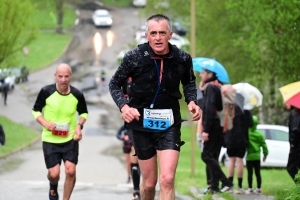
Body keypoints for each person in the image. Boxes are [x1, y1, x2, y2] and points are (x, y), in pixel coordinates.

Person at [109, 14, 201, 200]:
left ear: (170, 34)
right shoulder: (134, 57)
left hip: (169, 124)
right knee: (149, 184)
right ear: (147, 35)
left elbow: (189, 83)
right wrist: (124, 107)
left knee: (167, 179)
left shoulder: (182, 58)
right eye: (153, 33)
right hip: (141, 124)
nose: (158, 37)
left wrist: (192, 101)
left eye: (162, 33)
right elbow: (114, 84)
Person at [32, 63, 88, 200]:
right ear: (55, 76)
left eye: (66, 76)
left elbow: (84, 113)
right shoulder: (46, 91)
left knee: (70, 170)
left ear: (71, 77)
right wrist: (45, 123)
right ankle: (53, 185)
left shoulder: (77, 94)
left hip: (70, 138)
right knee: (54, 174)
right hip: (50, 139)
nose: (63, 79)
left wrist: (79, 126)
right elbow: (35, 111)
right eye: (60, 76)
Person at [200, 69, 234, 194]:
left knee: (206, 155)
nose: (200, 75)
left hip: (213, 126)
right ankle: (214, 187)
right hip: (220, 126)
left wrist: (206, 130)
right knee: (213, 155)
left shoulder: (211, 87)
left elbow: (209, 109)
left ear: (210, 74)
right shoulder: (218, 85)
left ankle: (226, 182)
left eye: (203, 73)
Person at [224, 106, 253, 194]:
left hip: (230, 138)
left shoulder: (229, 108)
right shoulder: (245, 109)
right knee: (239, 160)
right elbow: (251, 123)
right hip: (242, 138)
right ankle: (240, 187)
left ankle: (230, 185)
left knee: (231, 160)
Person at [246, 115, 268, 194]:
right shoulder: (259, 135)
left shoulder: (246, 134)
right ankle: (258, 188)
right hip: (257, 157)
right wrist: (265, 154)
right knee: (258, 173)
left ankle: (250, 188)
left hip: (249, 157)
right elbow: (264, 145)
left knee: (249, 173)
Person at [286, 104, 300, 183]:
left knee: (291, 167)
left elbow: (295, 129)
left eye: (287, 102)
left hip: (296, 146)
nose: (285, 103)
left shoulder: (294, 114)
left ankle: (299, 185)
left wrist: (293, 143)